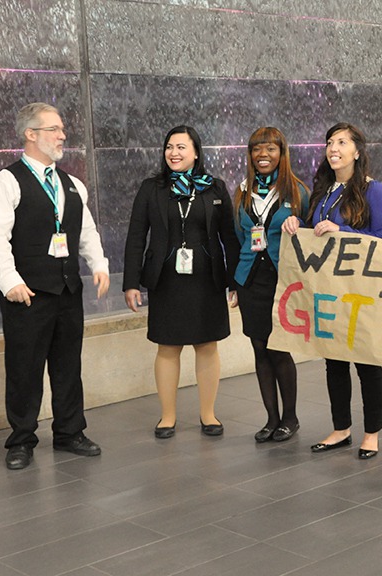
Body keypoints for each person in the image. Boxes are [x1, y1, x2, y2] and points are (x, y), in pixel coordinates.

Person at [0, 102, 110, 470]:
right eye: (54, 129)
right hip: (27, 294)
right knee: (24, 368)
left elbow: (85, 231)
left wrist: (98, 265)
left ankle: (70, 432)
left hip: (68, 291)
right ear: (31, 134)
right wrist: (9, 281)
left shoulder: (71, 184)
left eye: (61, 128)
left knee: (68, 365)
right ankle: (21, 440)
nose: (62, 135)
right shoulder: (6, 182)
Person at [281, 122, 382, 460]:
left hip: (360, 291)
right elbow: (314, 233)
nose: (334, 148)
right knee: (334, 361)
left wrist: (341, 230)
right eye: (330, 142)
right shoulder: (323, 190)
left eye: (342, 142)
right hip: (328, 292)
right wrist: (297, 223)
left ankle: (371, 433)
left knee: (366, 363)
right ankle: (341, 428)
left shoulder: (374, 191)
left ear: (357, 151)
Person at [123, 125, 240, 439]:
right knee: (168, 346)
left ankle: (208, 414)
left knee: (207, 345)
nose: (173, 153)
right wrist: (131, 282)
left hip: (207, 279)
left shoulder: (215, 188)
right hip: (166, 279)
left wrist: (235, 281)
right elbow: (136, 237)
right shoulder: (151, 188)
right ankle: (167, 417)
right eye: (169, 147)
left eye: (181, 147)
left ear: (196, 152)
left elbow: (229, 237)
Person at [233, 127, 309, 443]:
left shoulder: (297, 191)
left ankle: (290, 418)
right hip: (250, 280)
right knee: (259, 348)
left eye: (270, 149)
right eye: (257, 149)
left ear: (282, 153)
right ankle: (271, 418)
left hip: (283, 281)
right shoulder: (241, 192)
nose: (263, 155)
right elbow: (236, 237)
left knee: (279, 349)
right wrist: (233, 285)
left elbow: (309, 235)